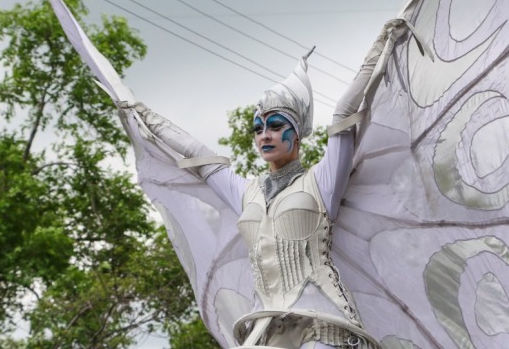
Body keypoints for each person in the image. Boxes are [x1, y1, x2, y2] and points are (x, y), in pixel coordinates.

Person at [123, 22, 403, 348]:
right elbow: (197, 153)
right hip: (268, 328)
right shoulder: (246, 192)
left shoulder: (322, 182)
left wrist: (381, 44)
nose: (265, 135)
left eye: (276, 126)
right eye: (259, 129)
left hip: (323, 326)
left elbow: (344, 113)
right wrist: (141, 113)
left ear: (295, 134)